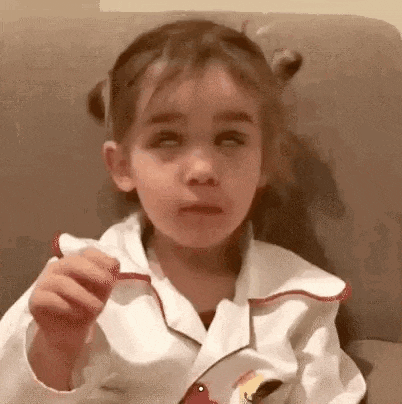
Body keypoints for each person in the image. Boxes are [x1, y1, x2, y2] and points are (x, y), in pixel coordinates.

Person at [0, 18, 366, 403]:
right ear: (122, 166)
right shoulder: (75, 284)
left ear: (265, 162)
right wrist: (54, 350)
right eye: (167, 138)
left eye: (231, 139)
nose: (203, 170)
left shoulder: (303, 301)